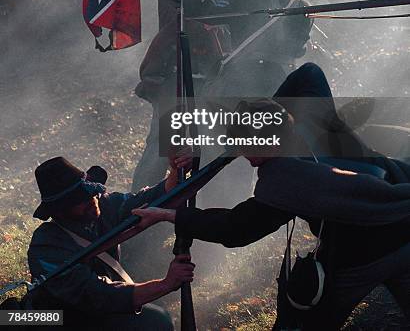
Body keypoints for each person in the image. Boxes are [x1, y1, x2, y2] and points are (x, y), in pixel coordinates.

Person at [131, 64, 410, 330]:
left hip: (364, 251)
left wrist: (172, 215)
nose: (246, 157)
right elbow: (308, 73)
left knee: (307, 322)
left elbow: (236, 228)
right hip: (404, 214)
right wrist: (266, 113)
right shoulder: (311, 119)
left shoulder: (283, 179)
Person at [132, 0, 235, 192]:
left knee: (201, 154)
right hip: (173, 80)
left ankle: (183, 217)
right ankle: (135, 213)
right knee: (159, 153)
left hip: (210, 84)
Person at [26, 154, 195, 330]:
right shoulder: (46, 246)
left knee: (158, 318)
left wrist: (177, 171)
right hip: (60, 319)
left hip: (97, 310)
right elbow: (98, 295)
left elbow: (152, 197)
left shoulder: (103, 205)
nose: (91, 200)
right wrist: (166, 284)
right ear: (60, 212)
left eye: (89, 192)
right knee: (156, 322)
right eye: (78, 200)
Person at [149, 0, 313, 98]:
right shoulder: (304, 8)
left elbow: (206, 9)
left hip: (245, 85)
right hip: (282, 88)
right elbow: (299, 51)